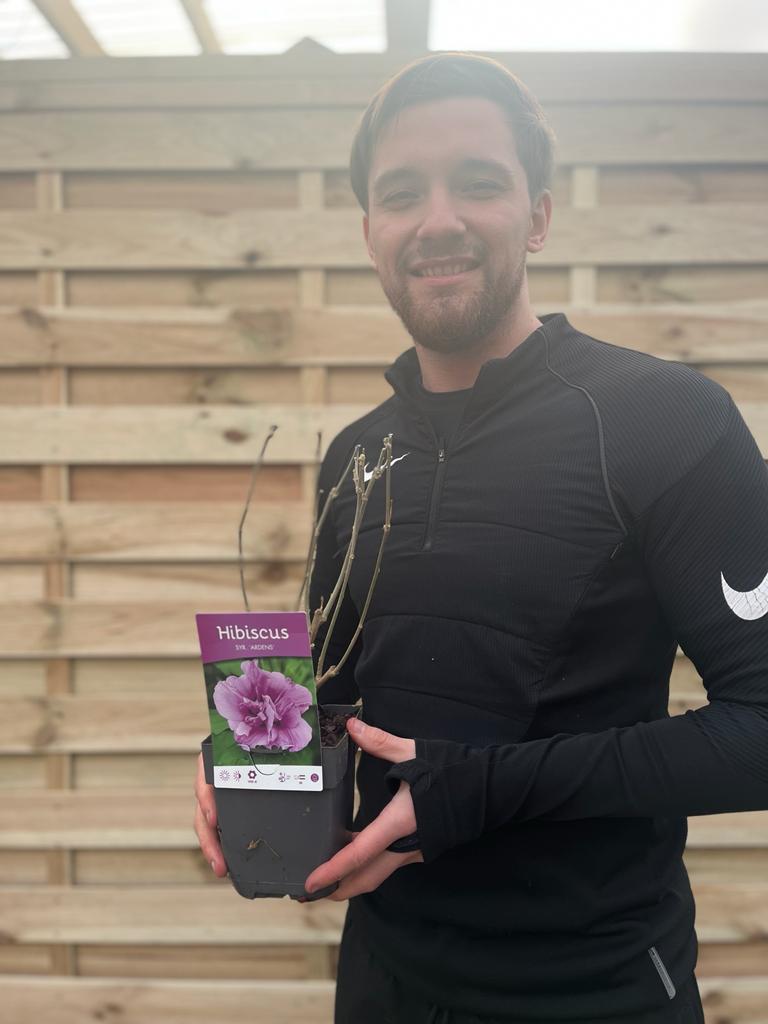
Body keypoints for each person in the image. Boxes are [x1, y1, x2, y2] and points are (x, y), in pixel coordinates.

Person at [195, 52, 768, 1023]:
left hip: (592, 989)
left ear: (538, 214)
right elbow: (336, 701)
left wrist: (475, 790)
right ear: (371, 230)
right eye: (402, 192)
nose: (439, 219)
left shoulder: (668, 422)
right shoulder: (356, 457)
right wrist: (249, 755)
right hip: (385, 981)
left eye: (479, 182)